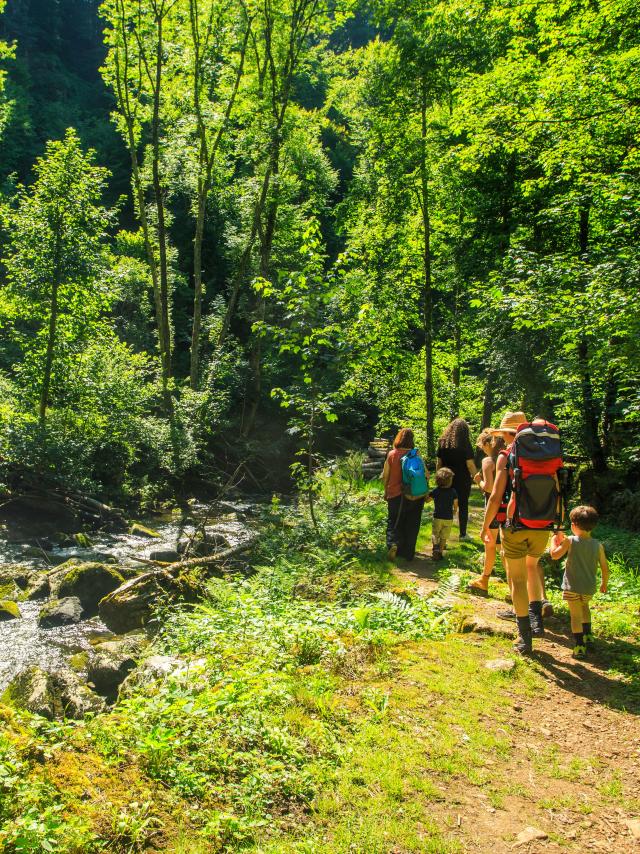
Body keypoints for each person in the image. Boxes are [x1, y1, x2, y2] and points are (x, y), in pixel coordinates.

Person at [480, 411, 551, 655]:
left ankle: (525, 638)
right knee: (532, 568)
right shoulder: (546, 454)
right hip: (543, 525)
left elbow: (496, 495)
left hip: (515, 525)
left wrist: (485, 525)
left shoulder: (506, 456)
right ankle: (537, 620)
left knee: (517, 578)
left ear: (508, 434)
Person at [549, 505, 609, 658]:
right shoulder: (598, 545)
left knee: (575, 615)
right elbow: (604, 567)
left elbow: (555, 555)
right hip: (589, 587)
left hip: (572, 587)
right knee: (585, 607)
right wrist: (604, 584)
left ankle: (579, 646)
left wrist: (553, 541)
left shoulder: (570, 540)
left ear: (574, 525)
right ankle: (588, 635)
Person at [468, 430, 505, 593]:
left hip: (493, 506)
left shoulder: (488, 461)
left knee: (490, 544)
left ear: (488, 443)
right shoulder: (507, 458)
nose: (482, 449)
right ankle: (513, 585)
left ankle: (484, 579)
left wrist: (479, 481)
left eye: (482, 446)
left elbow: (489, 487)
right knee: (502, 547)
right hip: (507, 506)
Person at [382, 428, 427, 561]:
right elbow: (426, 475)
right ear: (412, 440)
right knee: (412, 523)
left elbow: (385, 476)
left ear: (398, 438)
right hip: (415, 495)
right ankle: (408, 553)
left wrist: (386, 491)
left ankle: (393, 544)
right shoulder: (416, 455)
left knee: (394, 521)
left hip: (395, 494)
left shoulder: (392, 454)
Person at [436, 419, 478, 540]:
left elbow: (439, 462)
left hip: (446, 478)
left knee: (444, 506)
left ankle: (441, 535)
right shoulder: (465, 443)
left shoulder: (443, 442)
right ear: (465, 431)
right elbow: (470, 464)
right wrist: (477, 479)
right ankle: (463, 534)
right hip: (462, 480)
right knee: (463, 506)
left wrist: (438, 477)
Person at [427, 467, 458, 559]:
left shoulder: (436, 491)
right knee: (444, 536)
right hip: (448, 518)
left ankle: (435, 547)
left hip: (437, 516)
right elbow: (456, 502)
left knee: (435, 533)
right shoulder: (453, 491)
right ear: (450, 481)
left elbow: (428, 500)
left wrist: (426, 495)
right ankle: (440, 552)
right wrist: (455, 510)